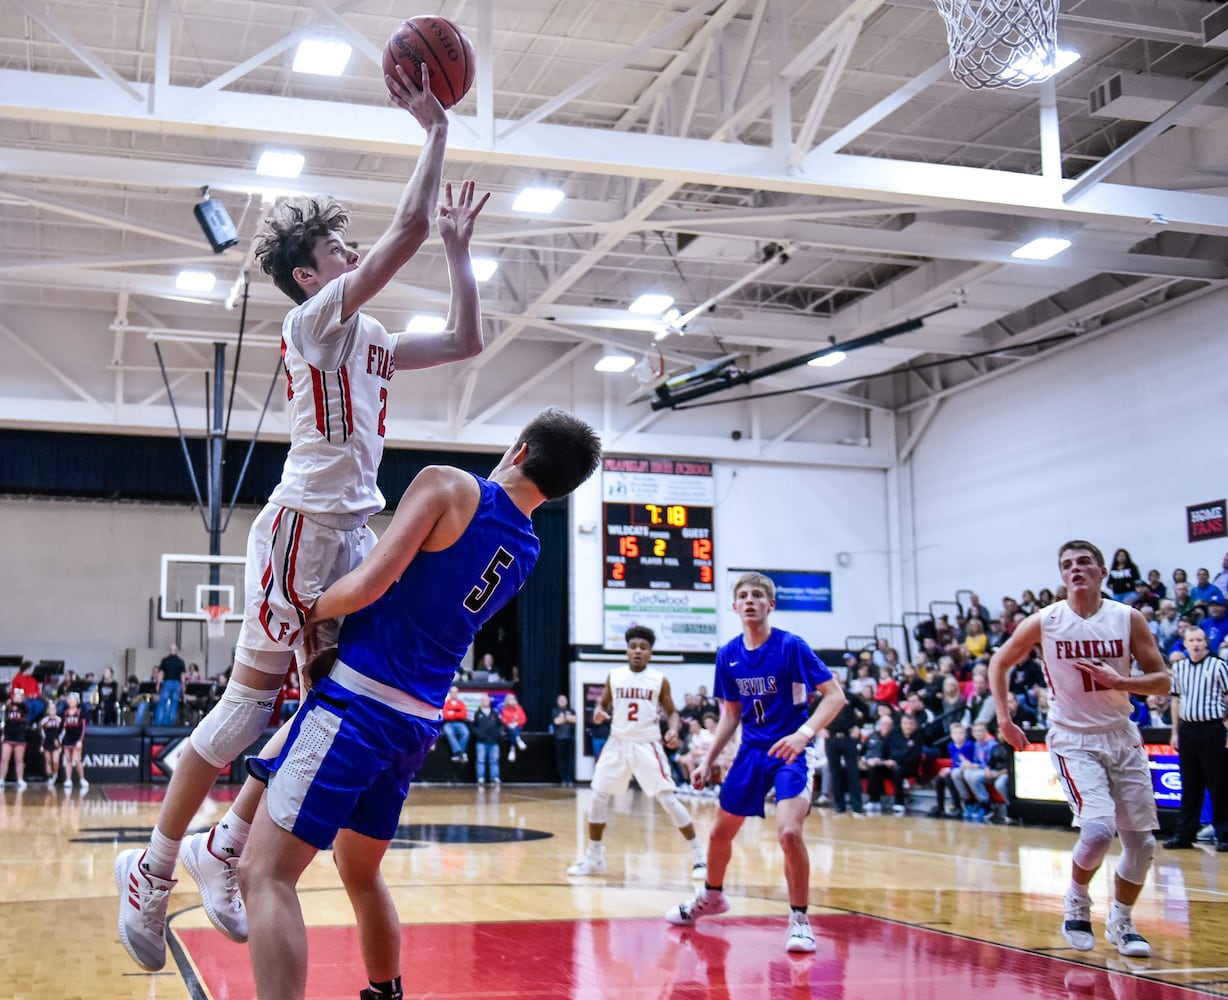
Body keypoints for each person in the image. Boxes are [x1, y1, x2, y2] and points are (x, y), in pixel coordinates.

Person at [113, 61, 490, 974]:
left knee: (333, 697)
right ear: (306, 275)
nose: (354, 254)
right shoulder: (313, 326)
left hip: (351, 534)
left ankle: (222, 848)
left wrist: (457, 253)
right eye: (338, 250)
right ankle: (154, 866)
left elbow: (471, 338)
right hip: (301, 531)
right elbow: (399, 229)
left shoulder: (375, 344)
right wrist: (434, 133)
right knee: (248, 708)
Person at [236, 408, 601, 1000]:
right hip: (416, 719)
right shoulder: (528, 548)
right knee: (360, 870)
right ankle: (387, 992)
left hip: (360, 705)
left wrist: (298, 608)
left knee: (265, 874)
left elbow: (371, 584)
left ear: (521, 449)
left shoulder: (449, 485)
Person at [989, 540, 1170, 959]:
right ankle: (1076, 899)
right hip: (1073, 737)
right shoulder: (1046, 621)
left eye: (1084, 562)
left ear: (1102, 572)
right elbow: (1000, 662)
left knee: (1142, 846)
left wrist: (1120, 683)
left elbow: (1161, 680)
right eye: (1067, 564)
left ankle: (1122, 921)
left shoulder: (1128, 618)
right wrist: (1004, 718)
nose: (1076, 569)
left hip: (1121, 734)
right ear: (1062, 575)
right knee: (1097, 828)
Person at [665, 572, 846, 953]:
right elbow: (731, 714)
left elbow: (835, 696)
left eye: (758, 595)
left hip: (791, 752)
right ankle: (712, 896)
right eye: (743, 595)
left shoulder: (791, 646)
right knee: (718, 834)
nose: (749, 600)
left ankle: (799, 918)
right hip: (751, 751)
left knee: (789, 833)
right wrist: (708, 760)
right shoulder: (728, 655)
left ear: (770, 605)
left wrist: (804, 734)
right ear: (734, 606)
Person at [567, 626, 707, 880]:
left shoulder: (659, 679)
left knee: (667, 798)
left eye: (643, 648)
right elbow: (603, 703)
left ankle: (699, 856)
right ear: (627, 650)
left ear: (650, 652)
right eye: (633, 647)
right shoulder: (615, 676)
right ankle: (595, 857)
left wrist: (674, 730)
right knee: (598, 796)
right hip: (617, 742)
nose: (638, 652)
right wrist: (598, 712)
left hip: (647, 743)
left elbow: (672, 711)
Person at [1163, 627, 1228, 851]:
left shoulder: (1219, 666)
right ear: (1186, 643)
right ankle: (1185, 835)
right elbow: (1176, 701)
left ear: (1206, 643)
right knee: (1190, 785)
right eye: (1192, 640)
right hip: (1188, 730)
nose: (1197, 643)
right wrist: (1174, 732)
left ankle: (1224, 835)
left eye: (1200, 639)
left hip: (1213, 729)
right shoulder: (1179, 668)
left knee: (1219, 784)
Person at [1, 686, 30, 789]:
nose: (17, 698)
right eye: (15, 696)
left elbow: (25, 708)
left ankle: (20, 779)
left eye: (19, 696)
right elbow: (5, 721)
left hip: (20, 736)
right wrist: (3, 734)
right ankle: (1, 779)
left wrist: (18, 701)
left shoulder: (24, 707)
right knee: (4, 758)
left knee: (19, 759)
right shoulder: (8, 707)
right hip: (8, 735)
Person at [471, 693, 503, 784]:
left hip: (494, 741)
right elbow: (473, 727)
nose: (485, 702)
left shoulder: (495, 713)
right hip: (481, 741)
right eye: (483, 700)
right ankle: (481, 778)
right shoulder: (477, 714)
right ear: (481, 702)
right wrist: (479, 735)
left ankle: (495, 777)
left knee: (494, 760)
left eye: (487, 700)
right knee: (480, 760)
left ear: (489, 701)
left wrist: (497, 734)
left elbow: (500, 725)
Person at [59, 691, 88, 787]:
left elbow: (83, 728)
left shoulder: (80, 713)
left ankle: (82, 778)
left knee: (77, 760)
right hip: (67, 738)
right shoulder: (65, 713)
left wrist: (80, 740)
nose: (71, 701)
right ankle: (68, 779)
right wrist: (60, 738)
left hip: (76, 739)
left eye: (73, 700)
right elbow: (62, 727)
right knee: (67, 759)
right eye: (69, 700)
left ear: (77, 701)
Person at [153, 644, 186, 726]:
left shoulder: (165, 660)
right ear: (177, 651)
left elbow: (161, 673)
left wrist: (158, 684)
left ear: (170, 650)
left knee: (162, 703)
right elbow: (182, 675)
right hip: (177, 684)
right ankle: (170, 724)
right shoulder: (180, 661)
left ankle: (159, 724)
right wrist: (183, 685)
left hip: (167, 683)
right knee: (174, 705)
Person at [550, 694, 577, 786]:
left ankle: (570, 779)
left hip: (570, 737)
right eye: (560, 700)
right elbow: (557, 721)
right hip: (559, 738)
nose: (562, 701)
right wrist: (566, 718)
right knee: (561, 759)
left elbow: (575, 720)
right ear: (557, 702)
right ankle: (563, 779)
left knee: (570, 759)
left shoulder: (571, 710)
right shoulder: (555, 711)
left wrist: (564, 717)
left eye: (564, 700)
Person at [441, 686, 470, 763]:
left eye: (455, 692)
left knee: (466, 733)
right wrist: (457, 713)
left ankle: (457, 754)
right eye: (452, 692)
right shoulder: (446, 703)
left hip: (460, 723)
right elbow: (445, 715)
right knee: (449, 732)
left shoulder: (461, 704)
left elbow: (463, 715)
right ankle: (460, 752)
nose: (454, 694)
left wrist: (452, 713)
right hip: (448, 724)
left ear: (458, 693)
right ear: (450, 693)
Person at [39, 699, 63, 783]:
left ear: (56, 710)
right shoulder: (44, 721)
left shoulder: (60, 720)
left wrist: (59, 742)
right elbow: (42, 733)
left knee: (55, 760)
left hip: (56, 742)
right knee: (48, 760)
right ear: (48, 710)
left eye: (54, 709)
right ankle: (49, 776)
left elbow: (62, 732)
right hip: (47, 742)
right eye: (50, 709)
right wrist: (43, 743)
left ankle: (55, 774)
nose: (52, 710)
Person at [500, 692, 528, 762]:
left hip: (518, 726)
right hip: (508, 727)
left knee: (514, 729)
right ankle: (518, 740)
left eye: (512, 699)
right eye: (509, 699)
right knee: (511, 729)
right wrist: (509, 724)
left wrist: (516, 723)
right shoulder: (504, 709)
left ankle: (512, 749)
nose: (511, 701)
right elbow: (503, 720)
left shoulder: (519, 708)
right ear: (507, 701)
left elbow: (524, 719)